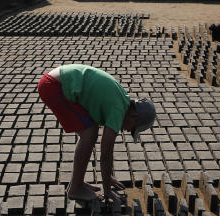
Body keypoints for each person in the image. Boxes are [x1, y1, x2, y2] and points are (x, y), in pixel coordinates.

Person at [37, 64, 156, 202]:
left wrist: (107, 176)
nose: (128, 131)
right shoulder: (118, 110)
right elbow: (105, 153)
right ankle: (76, 187)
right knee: (89, 133)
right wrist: (107, 189)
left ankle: (77, 182)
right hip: (53, 86)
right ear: (134, 116)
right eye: (133, 128)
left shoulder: (123, 100)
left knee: (90, 130)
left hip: (56, 81)